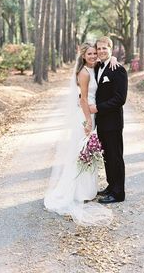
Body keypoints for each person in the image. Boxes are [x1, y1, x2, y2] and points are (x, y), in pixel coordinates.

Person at [44, 42, 117, 225]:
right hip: (85, 117)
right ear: (84, 56)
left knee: (87, 153)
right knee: (81, 153)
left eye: (95, 53)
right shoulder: (84, 73)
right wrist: (88, 121)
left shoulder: (96, 68)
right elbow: (83, 98)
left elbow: (107, 61)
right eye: (90, 53)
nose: (93, 56)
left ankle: (87, 190)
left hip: (92, 114)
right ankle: (77, 191)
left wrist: (113, 57)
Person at [90, 36, 128, 204]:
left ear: (111, 49)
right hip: (102, 123)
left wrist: (99, 108)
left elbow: (120, 98)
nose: (101, 51)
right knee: (107, 156)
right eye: (99, 49)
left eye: (105, 48)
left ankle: (118, 193)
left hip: (113, 122)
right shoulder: (99, 67)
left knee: (116, 157)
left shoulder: (118, 69)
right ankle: (111, 186)